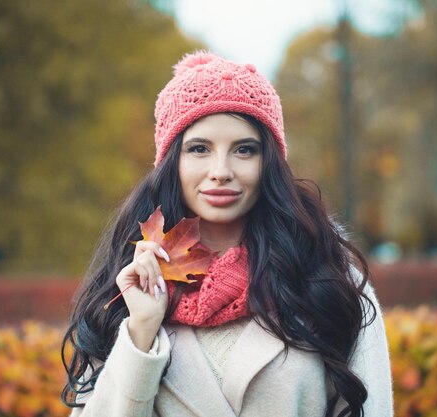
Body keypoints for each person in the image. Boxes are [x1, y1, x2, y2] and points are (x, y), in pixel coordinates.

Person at [61, 51, 393, 417]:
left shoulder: (327, 274)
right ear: (173, 161)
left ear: (269, 163)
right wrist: (141, 330)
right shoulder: (131, 285)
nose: (221, 171)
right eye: (199, 148)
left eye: (244, 150)